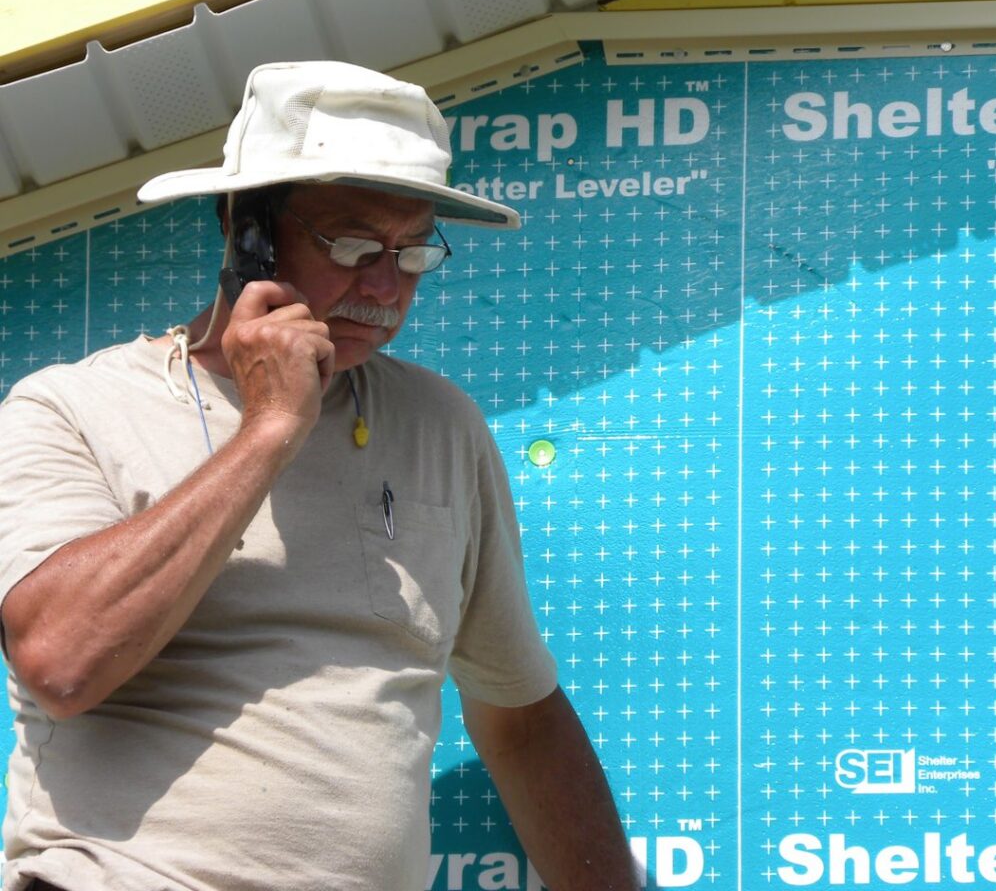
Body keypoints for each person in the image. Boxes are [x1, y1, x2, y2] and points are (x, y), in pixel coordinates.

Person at [0, 62, 638, 891]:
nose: (383, 286)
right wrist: (269, 430)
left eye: (413, 253)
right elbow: (60, 662)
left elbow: (520, 719)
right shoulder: (68, 407)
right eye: (352, 244)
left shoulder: (439, 424)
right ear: (247, 231)